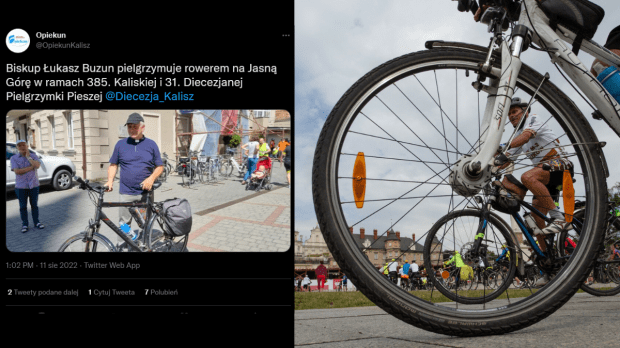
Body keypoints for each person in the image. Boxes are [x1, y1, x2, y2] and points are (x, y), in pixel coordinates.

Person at [495, 98, 573, 242]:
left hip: (561, 165)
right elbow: (507, 159)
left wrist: (501, 147)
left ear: (525, 111)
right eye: (509, 114)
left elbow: (525, 137)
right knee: (535, 218)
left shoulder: (533, 119)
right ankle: (547, 259)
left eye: (515, 111)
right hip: (544, 175)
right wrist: (489, 165)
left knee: (527, 177)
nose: (511, 116)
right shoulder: (517, 136)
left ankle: (559, 219)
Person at [105, 113, 163, 241]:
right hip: (126, 192)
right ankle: (126, 244)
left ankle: (144, 245)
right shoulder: (120, 144)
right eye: (129, 127)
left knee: (145, 222)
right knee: (124, 224)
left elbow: (160, 167)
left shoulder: (151, 144)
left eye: (135, 127)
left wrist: (151, 178)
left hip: (145, 193)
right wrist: (110, 181)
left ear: (142, 127)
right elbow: (113, 164)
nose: (132, 130)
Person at [11, 139, 44, 233]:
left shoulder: (33, 156)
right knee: (23, 207)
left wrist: (29, 157)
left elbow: (37, 166)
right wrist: (31, 167)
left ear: (27, 146)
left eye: (23, 145)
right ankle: (25, 224)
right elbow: (17, 171)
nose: (22, 147)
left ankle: (37, 222)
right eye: (19, 145)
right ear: (17, 147)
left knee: (34, 206)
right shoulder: (14, 158)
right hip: (21, 187)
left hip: (34, 185)